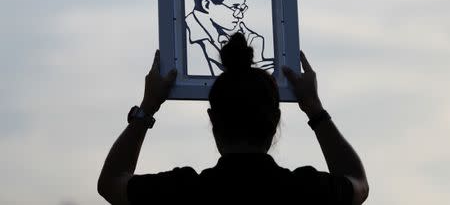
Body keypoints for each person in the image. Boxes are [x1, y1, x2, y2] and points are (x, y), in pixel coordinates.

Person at [98, 33, 369, 204]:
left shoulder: (184, 191)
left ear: (213, 120)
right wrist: (314, 109)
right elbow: (357, 181)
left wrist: (147, 109)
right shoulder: (305, 190)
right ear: (275, 120)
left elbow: (111, 183)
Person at [185, 0, 274, 75]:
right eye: (235, 7)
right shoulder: (185, 40)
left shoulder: (237, 33)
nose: (240, 15)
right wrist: (253, 68)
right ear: (207, 5)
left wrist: (256, 59)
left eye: (242, 8)